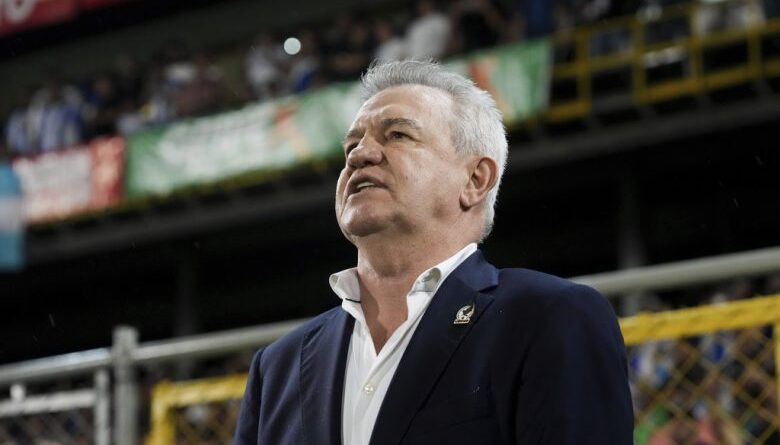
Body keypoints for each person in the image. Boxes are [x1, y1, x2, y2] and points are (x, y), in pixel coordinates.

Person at [234, 60, 633, 445]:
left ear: (475, 180)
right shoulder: (277, 368)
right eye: (352, 145)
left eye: (397, 135)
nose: (359, 155)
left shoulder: (549, 317)